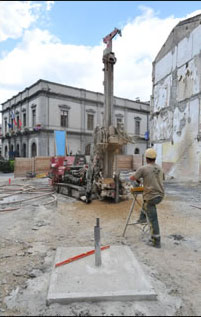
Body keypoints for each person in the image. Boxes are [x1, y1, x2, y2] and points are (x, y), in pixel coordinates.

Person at [130, 148, 165, 248]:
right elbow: (159, 179)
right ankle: (142, 218)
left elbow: (132, 178)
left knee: (153, 218)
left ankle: (156, 241)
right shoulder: (160, 168)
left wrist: (137, 178)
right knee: (146, 203)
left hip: (151, 197)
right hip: (160, 195)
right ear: (155, 158)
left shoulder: (143, 168)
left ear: (146, 158)